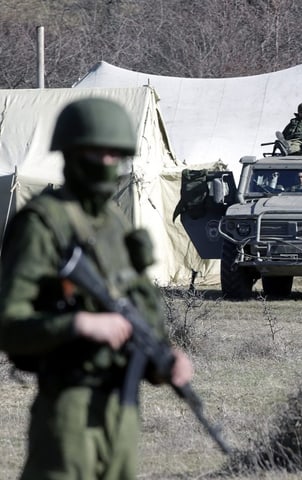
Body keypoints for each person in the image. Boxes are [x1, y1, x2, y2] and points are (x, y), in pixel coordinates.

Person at [0, 97, 193, 480]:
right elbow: (8, 323)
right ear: (72, 153)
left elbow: (137, 304)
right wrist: (78, 325)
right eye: (97, 152)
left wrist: (165, 357)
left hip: (122, 406)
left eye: (115, 154)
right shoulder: (41, 224)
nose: (108, 163)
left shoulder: (115, 224)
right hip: (70, 404)